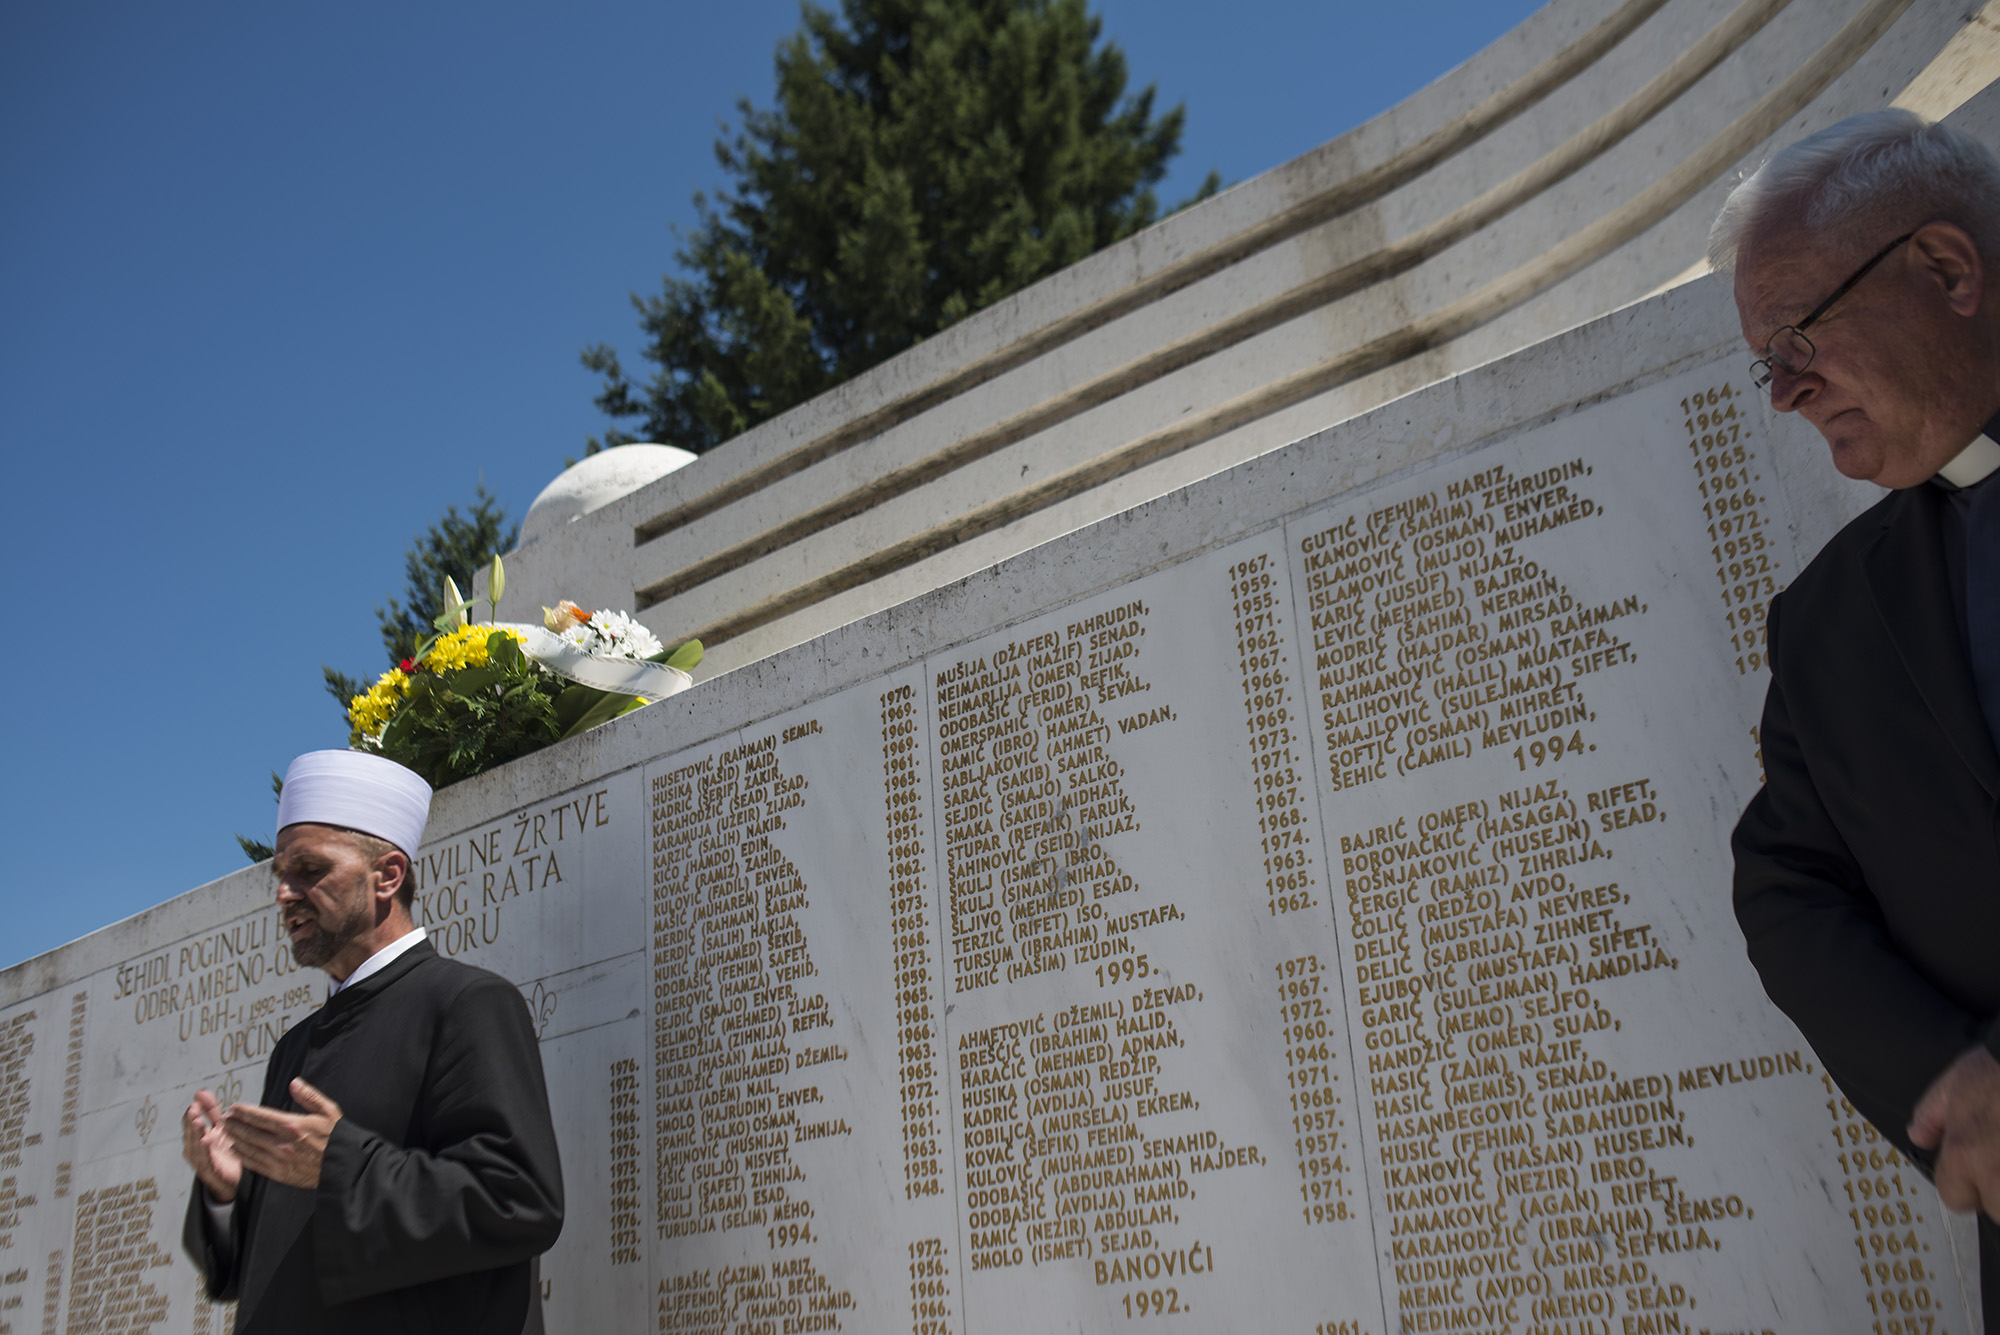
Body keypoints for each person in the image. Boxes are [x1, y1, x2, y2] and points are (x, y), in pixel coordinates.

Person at [1718, 108, 2000, 1320]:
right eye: (1762, 359)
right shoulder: (1827, 626)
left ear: (1945, 269)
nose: (1780, 392)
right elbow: (1784, 883)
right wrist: (1945, 1077)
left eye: (1798, 335)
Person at [180, 750, 564, 1334]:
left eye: (309, 870)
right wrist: (227, 1194)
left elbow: (518, 1201)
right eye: (280, 874)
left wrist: (340, 1165)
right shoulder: (295, 1046)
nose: (284, 893)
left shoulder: (466, 1004)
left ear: (387, 875)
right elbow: (261, 1267)